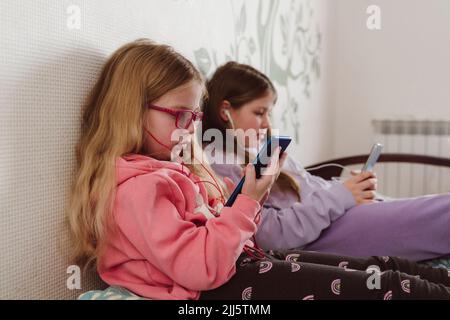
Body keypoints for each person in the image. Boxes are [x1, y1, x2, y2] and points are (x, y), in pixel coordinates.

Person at [67, 40, 450, 300]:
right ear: (131, 109)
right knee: (383, 285)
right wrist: (250, 199)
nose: (190, 128)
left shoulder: (176, 169)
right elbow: (201, 267)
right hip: (217, 287)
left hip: (243, 264)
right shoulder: (139, 189)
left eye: (194, 116)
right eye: (179, 115)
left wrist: (254, 194)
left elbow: (224, 233)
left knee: (383, 269)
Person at [202, 61, 450, 262]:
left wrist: (345, 190)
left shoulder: (258, 149)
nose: (267, 123)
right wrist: (340, 196)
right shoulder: (220, 166)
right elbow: (271, 235)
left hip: (336, 216)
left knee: (430, 208)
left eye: (269, 112)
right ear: (226, 111)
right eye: (259, 113)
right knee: (441, 212)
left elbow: (306, 189)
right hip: (325, 233)